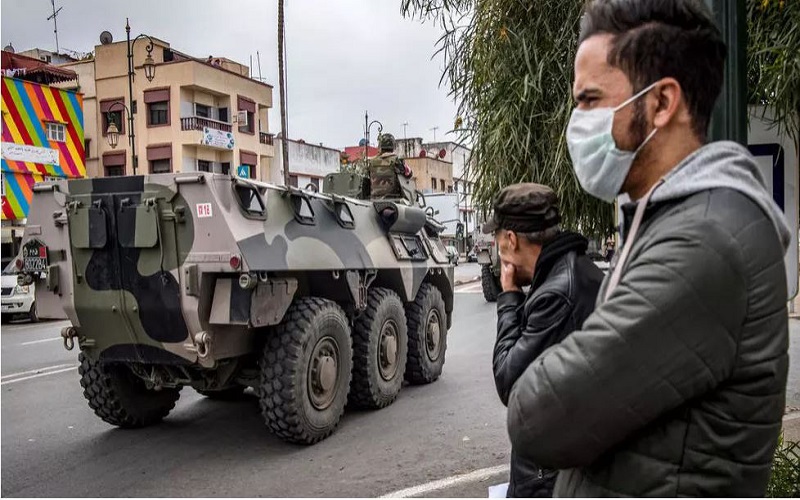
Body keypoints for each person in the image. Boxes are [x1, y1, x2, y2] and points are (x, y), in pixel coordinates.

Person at [506, 0, 791, 496]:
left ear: (661, 103)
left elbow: (538, 415)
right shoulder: (670, 220)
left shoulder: (705, 241)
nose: (577, 123)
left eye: (591, 100)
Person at [485, 183, 604, 497]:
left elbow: (509, 381)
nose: (500, 255)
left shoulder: (556, 294)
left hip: (548, 475)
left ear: (511, 239)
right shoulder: (577, 270)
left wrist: (509, 297)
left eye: (498, 242)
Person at [368, 133, 414, 200]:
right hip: (393, 200)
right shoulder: (396, 161)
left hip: (374, 200)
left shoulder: (372, 162)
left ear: (381, 146)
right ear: (393, 146)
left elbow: (366, 180)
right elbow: (409, 174)